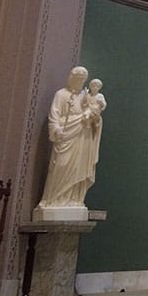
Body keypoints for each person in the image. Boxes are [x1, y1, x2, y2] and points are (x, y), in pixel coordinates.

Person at [35, 66, 106, 211]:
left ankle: (74, 199)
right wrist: (56, 129)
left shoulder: (86, 96)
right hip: (66, 134)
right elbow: (54, 115)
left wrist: (94, 119)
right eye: (78, 79)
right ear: (71, 78)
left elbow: (96, 117)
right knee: (61, 165)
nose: (80, 82)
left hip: (82, 136)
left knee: (78, 168)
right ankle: (52, 199)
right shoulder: (61, 94)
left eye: (82, 80)